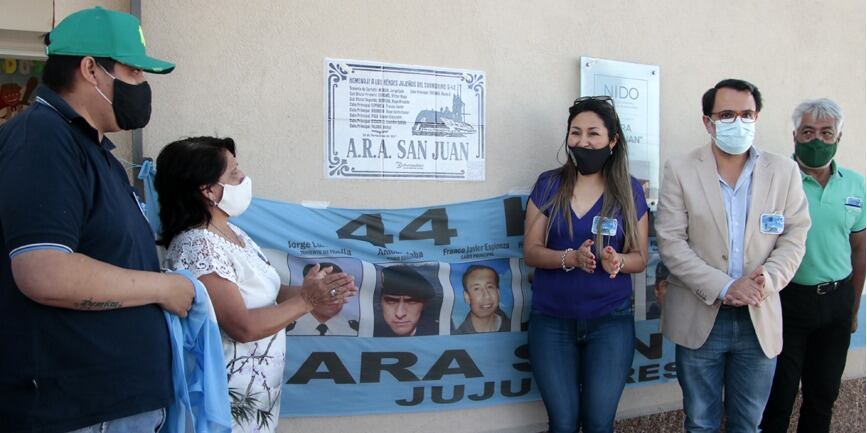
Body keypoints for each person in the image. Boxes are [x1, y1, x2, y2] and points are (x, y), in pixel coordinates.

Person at [0, 7, 198, 432]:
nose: (142, 87)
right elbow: (45, 272)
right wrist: (164, 287)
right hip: (78, 411)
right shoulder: (42, 138)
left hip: (119, 405)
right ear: (91, 69)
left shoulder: (97, 153)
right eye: (133, 72)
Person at [156, 136, 356, 433]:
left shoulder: (233, 233)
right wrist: (306, 301)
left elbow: (266, 294)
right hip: (222, 402)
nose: (244, 178)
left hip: (256, 398)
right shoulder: (198, 246)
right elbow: (242, 326)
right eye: (234, 172)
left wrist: (318, 292)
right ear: (209, 190)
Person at [656, 78, 811, 432]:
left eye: (746, 114)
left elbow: (795, 235)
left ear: (757, 118)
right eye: (726, 114)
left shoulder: (783, 171)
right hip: (700, 317)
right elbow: (672, 243)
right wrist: (727, 287)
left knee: (748, 424)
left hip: (759, 315)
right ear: (707, 121)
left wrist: (766, 280)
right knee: (700, 422)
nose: (738, 123)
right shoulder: (680, 169)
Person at [523, 96, 649, 433]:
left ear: (613, 140)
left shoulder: (629, 190)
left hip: (610, 322)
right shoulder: (549, 184)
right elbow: (531, 251)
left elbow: (640, 258)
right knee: (562, 424)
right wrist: (571, 258)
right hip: (552, 321)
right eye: (575, 133)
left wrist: (617, 260)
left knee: (598, 423)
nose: (583, 141)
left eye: (593, 133)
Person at [760, 98, 866, 433]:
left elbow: (860, 249)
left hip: (836, 302)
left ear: (838, 137)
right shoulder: (775, 180)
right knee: (779, 396)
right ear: (794, 136)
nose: (816, 140)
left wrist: (852, 306)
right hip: (786, 302)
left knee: (823, 396)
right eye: (808, 132)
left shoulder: (855, 184)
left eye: (825, 132)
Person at [286, 262, 359, 336]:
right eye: (323, 288)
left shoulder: (356, 329)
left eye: (338, 287)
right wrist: (308, 299)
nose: (331, 295)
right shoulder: (287, 327)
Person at [374, 265, 438, 337]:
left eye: (412, 301)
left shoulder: (439, 333)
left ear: (424, 304)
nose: (400, 314)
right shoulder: (369, 332)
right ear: (380, 303)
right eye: (391, 301)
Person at [454, 264, 511, 334]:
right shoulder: (459, 335)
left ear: (498, 293)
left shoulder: (514, 326)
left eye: (490, 287)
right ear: (467, 297)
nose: (486, 295)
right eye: (477, 289)